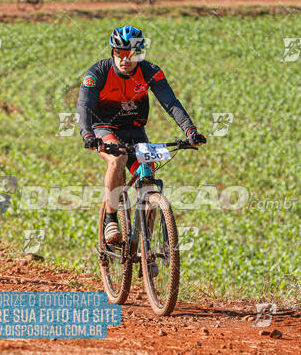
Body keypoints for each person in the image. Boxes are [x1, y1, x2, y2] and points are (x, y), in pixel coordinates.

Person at [76, 25, 206, 244]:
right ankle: (110, 219)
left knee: (148, 175)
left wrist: (190, 130)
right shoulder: (97, 73)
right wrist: (87, 135)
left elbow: (171, 103)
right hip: (105, 128)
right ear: (112, 52)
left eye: (132, 54)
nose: (125, 59)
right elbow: (83, 105)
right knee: (118, 160)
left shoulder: (150, 71)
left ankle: (144, 246)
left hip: (135, 130)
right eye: (120, 53)